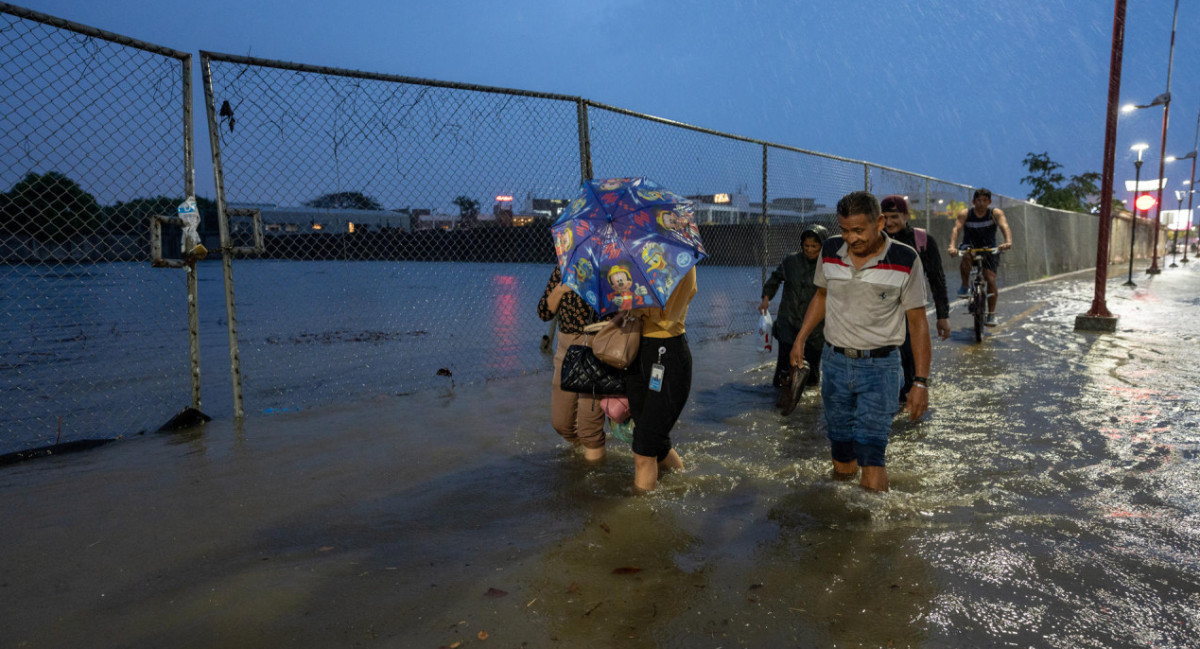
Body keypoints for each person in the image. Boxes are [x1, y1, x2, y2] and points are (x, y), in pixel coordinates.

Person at [790, 191, 930, 492]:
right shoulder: (829, 251)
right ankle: (841, 521)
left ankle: (874, 533)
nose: (850, 238)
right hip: (835, 364)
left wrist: (920, 382)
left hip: (881, 369)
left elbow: (918, 323)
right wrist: (799, 339)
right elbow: (822, 295)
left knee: (871, 453)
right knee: (840, 452)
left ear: (878, 222)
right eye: (844, 230)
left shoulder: (905, 260)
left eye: (858, 230)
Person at [626, 266, 697, 492]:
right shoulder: (634, 258)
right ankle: (684, 486)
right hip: (636, 350)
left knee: (644, 448)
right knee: (655, 441)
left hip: (667, 352)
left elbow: (666, 316)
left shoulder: (679, 258)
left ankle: (640, 520)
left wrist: (634, 304)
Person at [880, 195, 950, 404]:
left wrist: (942, 316)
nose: (889, 222)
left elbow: (937, 278)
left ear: (906, 215)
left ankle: (909, 399)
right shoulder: (876, 240)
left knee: (909, 355)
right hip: (881, 310)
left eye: (895, 216)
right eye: (885, 217)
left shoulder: (922, 241)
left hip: (911, 311)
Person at [537, 266, 606, 462]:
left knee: (589, 430)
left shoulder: (612, 267)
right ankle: (581, 466)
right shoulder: (564, 267)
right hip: (566, 349)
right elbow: (544, 313)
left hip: (598, 348)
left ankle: (594, 482)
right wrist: (560, 289)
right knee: (562, 424)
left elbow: (624, 311)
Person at [759, 226, 826, 407]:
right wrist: (766, 298)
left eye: (814, 246)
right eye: (806, 246)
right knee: (784, 366)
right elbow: (774, 279)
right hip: (788, 321)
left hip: (815, 327)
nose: (810, 250)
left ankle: (810, 406)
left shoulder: (828, 265)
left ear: (822, 246)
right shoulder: (791, 261)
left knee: (811, 370)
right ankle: (780, 400)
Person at [947, 188, 1013, 327]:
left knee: (990, 278)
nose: (981, 203)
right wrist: (952, 246)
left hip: (989, 248)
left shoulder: (995, 213)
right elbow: (956, 229)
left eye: (984, 200)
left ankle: (991, 315)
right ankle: (965, 286)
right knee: (966, 255)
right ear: (973, 201)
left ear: (989, 202)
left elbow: (1004, 226)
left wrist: (1007, 241)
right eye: (978, 200)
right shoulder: (966, 214)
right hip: (970, 246)